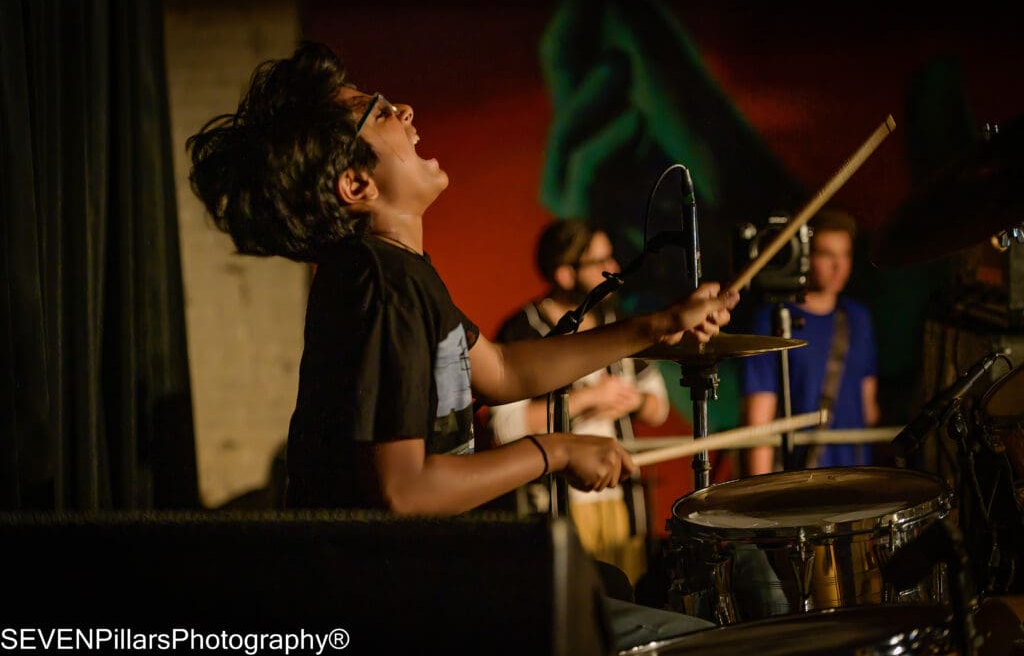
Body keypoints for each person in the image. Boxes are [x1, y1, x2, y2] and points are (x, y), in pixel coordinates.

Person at [186, 41, 737, 648]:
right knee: (698, 642)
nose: (406, 113)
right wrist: (553, 449)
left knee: (606, 586)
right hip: (391, 602)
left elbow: (502, 368)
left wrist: (655, 326)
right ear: (356, 183)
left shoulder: (401, 271)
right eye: (381, 112)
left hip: (420, 582)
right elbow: (406, 491)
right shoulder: (378, 284)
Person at [488, 218, 670, 585]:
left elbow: (659, 408)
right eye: (601, 262)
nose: (615, 269)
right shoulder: (523, 331)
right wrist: (587, 399)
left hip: (621, 500)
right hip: (557, 503)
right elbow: (502, 427)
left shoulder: (616, 321)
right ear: (565, 274)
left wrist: (631, 400)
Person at [742, 208, 880, 474]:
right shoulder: (773, 320)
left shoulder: (858, 319)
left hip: (857, 479)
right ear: (805, 256)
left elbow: (869, 409)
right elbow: (759, 425)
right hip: (799, 482)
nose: (839, 266)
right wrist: (759, 499)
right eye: (827, 254)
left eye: (846, 254)